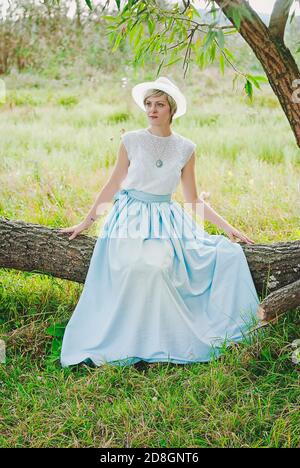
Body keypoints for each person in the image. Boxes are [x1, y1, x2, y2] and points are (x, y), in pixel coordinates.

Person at [58, 76, 265, 368]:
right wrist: (87, 221)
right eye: (148, 104)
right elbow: (113, 184)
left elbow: (192, 199)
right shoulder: (131, 140)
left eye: (159, 104)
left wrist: (229, 229)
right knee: (138, 267)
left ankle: (166, 341)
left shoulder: (186, 148)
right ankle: (133, 340)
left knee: (187, 262)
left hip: (165, 218)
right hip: (130, 217)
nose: (152, 110)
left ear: (171, 109)